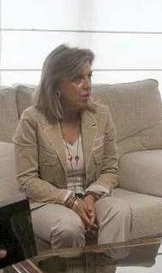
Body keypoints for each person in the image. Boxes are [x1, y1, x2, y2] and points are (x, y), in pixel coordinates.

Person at [13, 44, 131, 249]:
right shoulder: (32, 119)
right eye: (78, 79)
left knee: (119, 211)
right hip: (48, 203)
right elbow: (27, 180)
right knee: (69, 226)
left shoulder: (101, 115)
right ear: (56, 85)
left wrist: (91, 197)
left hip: (90, 197)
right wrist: (71, 201)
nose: (87, 85)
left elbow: (110, 169)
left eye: (89, 76)